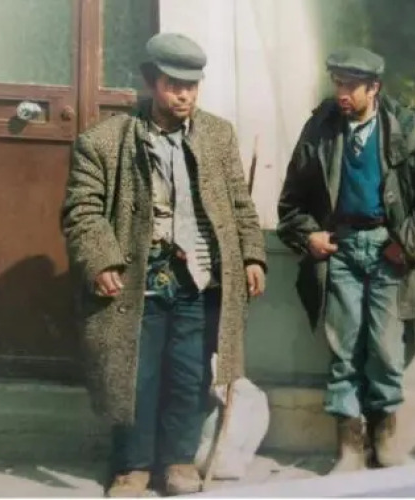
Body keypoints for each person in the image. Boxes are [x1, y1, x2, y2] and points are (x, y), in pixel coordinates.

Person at [61, 32, 266, 496]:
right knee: (136, 374)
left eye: (191, 86)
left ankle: (178, 460)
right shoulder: (104, 141)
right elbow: (82, 210)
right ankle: (132, 465)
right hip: (139, 281)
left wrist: (253, 255)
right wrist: (102, 259)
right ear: (151, 82)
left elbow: (239, 204)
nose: (184, 95)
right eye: (174, 85)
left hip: (198, 278)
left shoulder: (218, 135)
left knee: (190, 374)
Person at [277, 47, 415, 472]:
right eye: (338, 82)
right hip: (341, 250)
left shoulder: (409, 130)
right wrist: (309, 236)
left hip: (390, 252)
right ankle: (350, 448)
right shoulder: (319, 129)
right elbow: (291, 201)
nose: (342, 92)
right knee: (344, 351)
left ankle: (385, 440)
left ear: (374, 88)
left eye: (352, 85)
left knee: (386, 350)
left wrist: (405, 245)